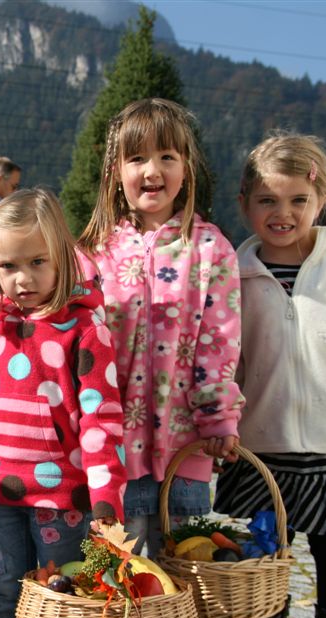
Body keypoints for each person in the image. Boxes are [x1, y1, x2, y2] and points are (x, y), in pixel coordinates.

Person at [214, 134, 326, 618]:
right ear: (244, 203)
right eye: (267, 200)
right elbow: (225, 364)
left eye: (297, 200)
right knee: (265, 565)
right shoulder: (231, 277)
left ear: (322, 199)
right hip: (264, 452)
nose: (282, 213)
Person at [0, 188, 126, 618]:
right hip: (0, 491)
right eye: (8, 266)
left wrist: (106, 496)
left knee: (60, 598)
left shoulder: (84, 329)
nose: (23, 278)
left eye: (37, 262)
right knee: (4, 590)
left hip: (62, 497)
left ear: (62, 257)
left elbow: (101, 418)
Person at [77, 98, 244, 559]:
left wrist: (219, 418)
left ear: (186, 168)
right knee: (120, 581)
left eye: (167, 156)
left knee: (184, 580)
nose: (152, 170)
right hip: (113, 455)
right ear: (115, 171)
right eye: (137, 158)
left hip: (186, 448)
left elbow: (220, 343)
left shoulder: (211, 249)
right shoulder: (93, 253)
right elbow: (78, 349)